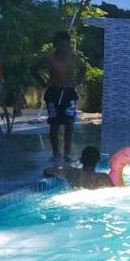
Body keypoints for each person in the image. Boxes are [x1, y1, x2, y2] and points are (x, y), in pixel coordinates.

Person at [34, 31, 82, 163]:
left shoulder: (73, 57)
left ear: (68, 45)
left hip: (68, 93)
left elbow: (83, 69)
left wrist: (77, 81)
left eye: (65, 46)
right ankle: (56, 153)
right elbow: (34, 68)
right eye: (60, 46)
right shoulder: (49, 58)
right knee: (54, 124)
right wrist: (43, 82)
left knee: (69, 123)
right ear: (55, 45)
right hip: (54, 93)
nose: (63, 49)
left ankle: (67, 153)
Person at [43, 146, 112, 189]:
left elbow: (47, 171)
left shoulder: (71, 172)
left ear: (81, 159)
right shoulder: (103, 177)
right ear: (98, 161)